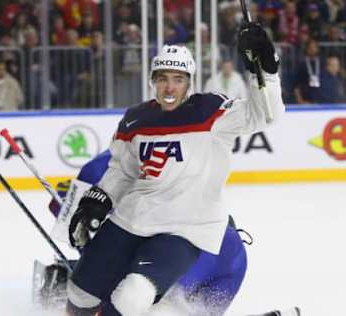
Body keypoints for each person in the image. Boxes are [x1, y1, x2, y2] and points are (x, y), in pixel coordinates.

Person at [65, 22, 285, 316]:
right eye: (163, 78)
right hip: (132, 218)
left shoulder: (211, 112)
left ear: (189, 82)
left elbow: (265, 114)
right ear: (152, 81)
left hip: (184, 227)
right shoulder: (135, 120)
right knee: (78, 292)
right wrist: (97, 200)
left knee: (133, 297)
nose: (170, 87)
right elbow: (122, 171)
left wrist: (266, 71)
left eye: (178, 79)